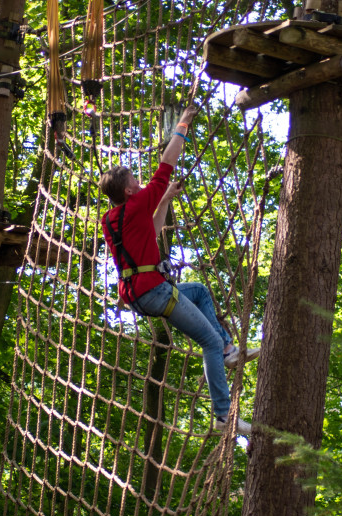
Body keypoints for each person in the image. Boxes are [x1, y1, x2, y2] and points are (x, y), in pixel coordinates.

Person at [99, 105, 259, 436]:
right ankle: (223, 417)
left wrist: (167, 199)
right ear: (129, 191)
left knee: (199, 291)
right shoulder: (138, 202)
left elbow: (152, 231)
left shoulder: (111, 219)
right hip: (154, 292)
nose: (141, 182)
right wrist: (184, 123)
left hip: (139, 294)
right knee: (209, 343)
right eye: (135, 180)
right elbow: (166, 165)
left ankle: (230, 351)